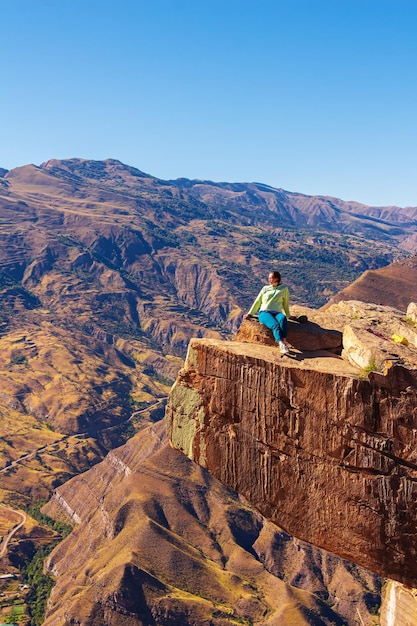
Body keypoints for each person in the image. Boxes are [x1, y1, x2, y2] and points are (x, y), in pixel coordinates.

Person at [244, 271, 291, 354]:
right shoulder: (265, 289)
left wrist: (288, 315)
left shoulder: (284, 289)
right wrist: (250, 313)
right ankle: (281, 344)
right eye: (269, 278)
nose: (269, 280)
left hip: (277, 312)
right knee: (275, 325)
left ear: (276, 278)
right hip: (264, 312)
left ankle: (284, 341)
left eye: (271, 278)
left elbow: (285, 303)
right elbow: (258, 301)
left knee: (283, 319)